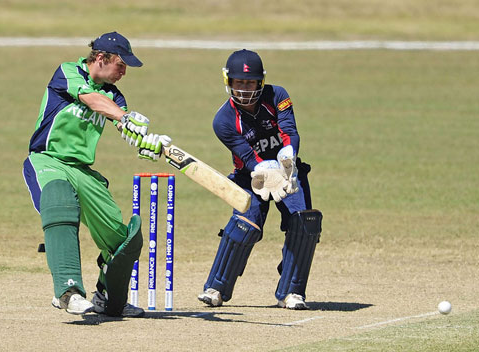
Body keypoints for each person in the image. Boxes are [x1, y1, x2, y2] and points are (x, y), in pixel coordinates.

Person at [23, 31, 170, 316]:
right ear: (101, 58)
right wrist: (124, 117)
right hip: (48, 160)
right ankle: (68, 291)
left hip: (84, 171)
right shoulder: (69, 71)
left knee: (125, 240)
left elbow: (124, 126)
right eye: (121, 64)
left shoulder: (115, 96)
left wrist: (150, 142)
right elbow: (91, 99)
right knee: (59, 199)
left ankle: (108, 299)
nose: (124, 72)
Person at [197, 49, 323, 310]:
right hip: (250, 177)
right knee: (244, 225)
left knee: (304, 225)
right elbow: (248, 157)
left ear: (260, 82)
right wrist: (266, 172)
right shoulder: (223, 121)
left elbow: (289, 132)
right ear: (228, 82)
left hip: (287, 172)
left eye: (250, 82)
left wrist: (288, 158)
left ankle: (292, 292)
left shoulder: (278, 96)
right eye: (239, 83)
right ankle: (216, 288)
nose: (244, 89)